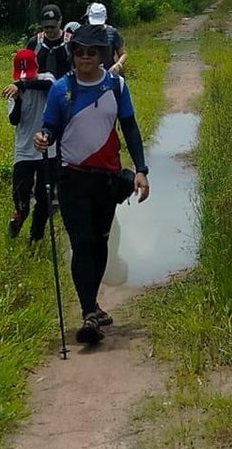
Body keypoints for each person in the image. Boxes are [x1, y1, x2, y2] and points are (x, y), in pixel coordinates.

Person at [34, 20, 148, 345]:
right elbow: (50, 128)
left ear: (102, 55)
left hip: (107, 180)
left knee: (99, 245)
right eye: (79, 52)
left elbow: (130, 127)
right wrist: (43, 138)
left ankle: (92, 303)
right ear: (73, 55)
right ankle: (87, 313)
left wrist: (141, 169)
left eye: (90, 53)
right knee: (82, 243)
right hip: (71, 178)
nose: (84, 58)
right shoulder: (61, 90)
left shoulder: (116, 86)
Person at [6, 47, 51, 241]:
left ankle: (37, 235)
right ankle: (20, 214)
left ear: (38, 66)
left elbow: (48, 86)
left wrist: (23, 85)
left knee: (45, 196)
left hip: (47, 148)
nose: (28, 78)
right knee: (20, 192)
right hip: (24, 149)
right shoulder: (14, 90)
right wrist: (17, 99)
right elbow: (14, 121)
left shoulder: (47, 78)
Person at [85, 0, 126, 75]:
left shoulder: (112, 32)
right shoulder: (84, 33)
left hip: (109, 74)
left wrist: (118, 64)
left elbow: (123, 54)